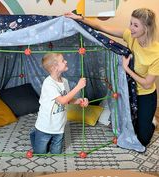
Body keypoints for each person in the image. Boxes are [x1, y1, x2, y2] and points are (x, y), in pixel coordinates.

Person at [65, 8, 159, 147]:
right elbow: (102, 27)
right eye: (130, 23)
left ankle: (150, 122)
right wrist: (81, 19)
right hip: (128, 90)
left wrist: (126, 69)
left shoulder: (155, 53)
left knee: (142, 140)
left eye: (135, 25)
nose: (130, 28)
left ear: (146, 28)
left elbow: (146, 84)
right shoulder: (130, 36)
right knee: (128, 129)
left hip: (145, 95)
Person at [30, 53, 88, 154]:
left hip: (59, 127)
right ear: (55, 67)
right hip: (45, 126)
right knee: (40, 153)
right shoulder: (48, 83)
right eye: (63, 60)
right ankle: (34, 133)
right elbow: (62, 101)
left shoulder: (64, 81)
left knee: (56, 153)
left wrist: (80, 101)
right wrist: (78, 87)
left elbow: (68, 99)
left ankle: (48, 140)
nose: (66, 61)